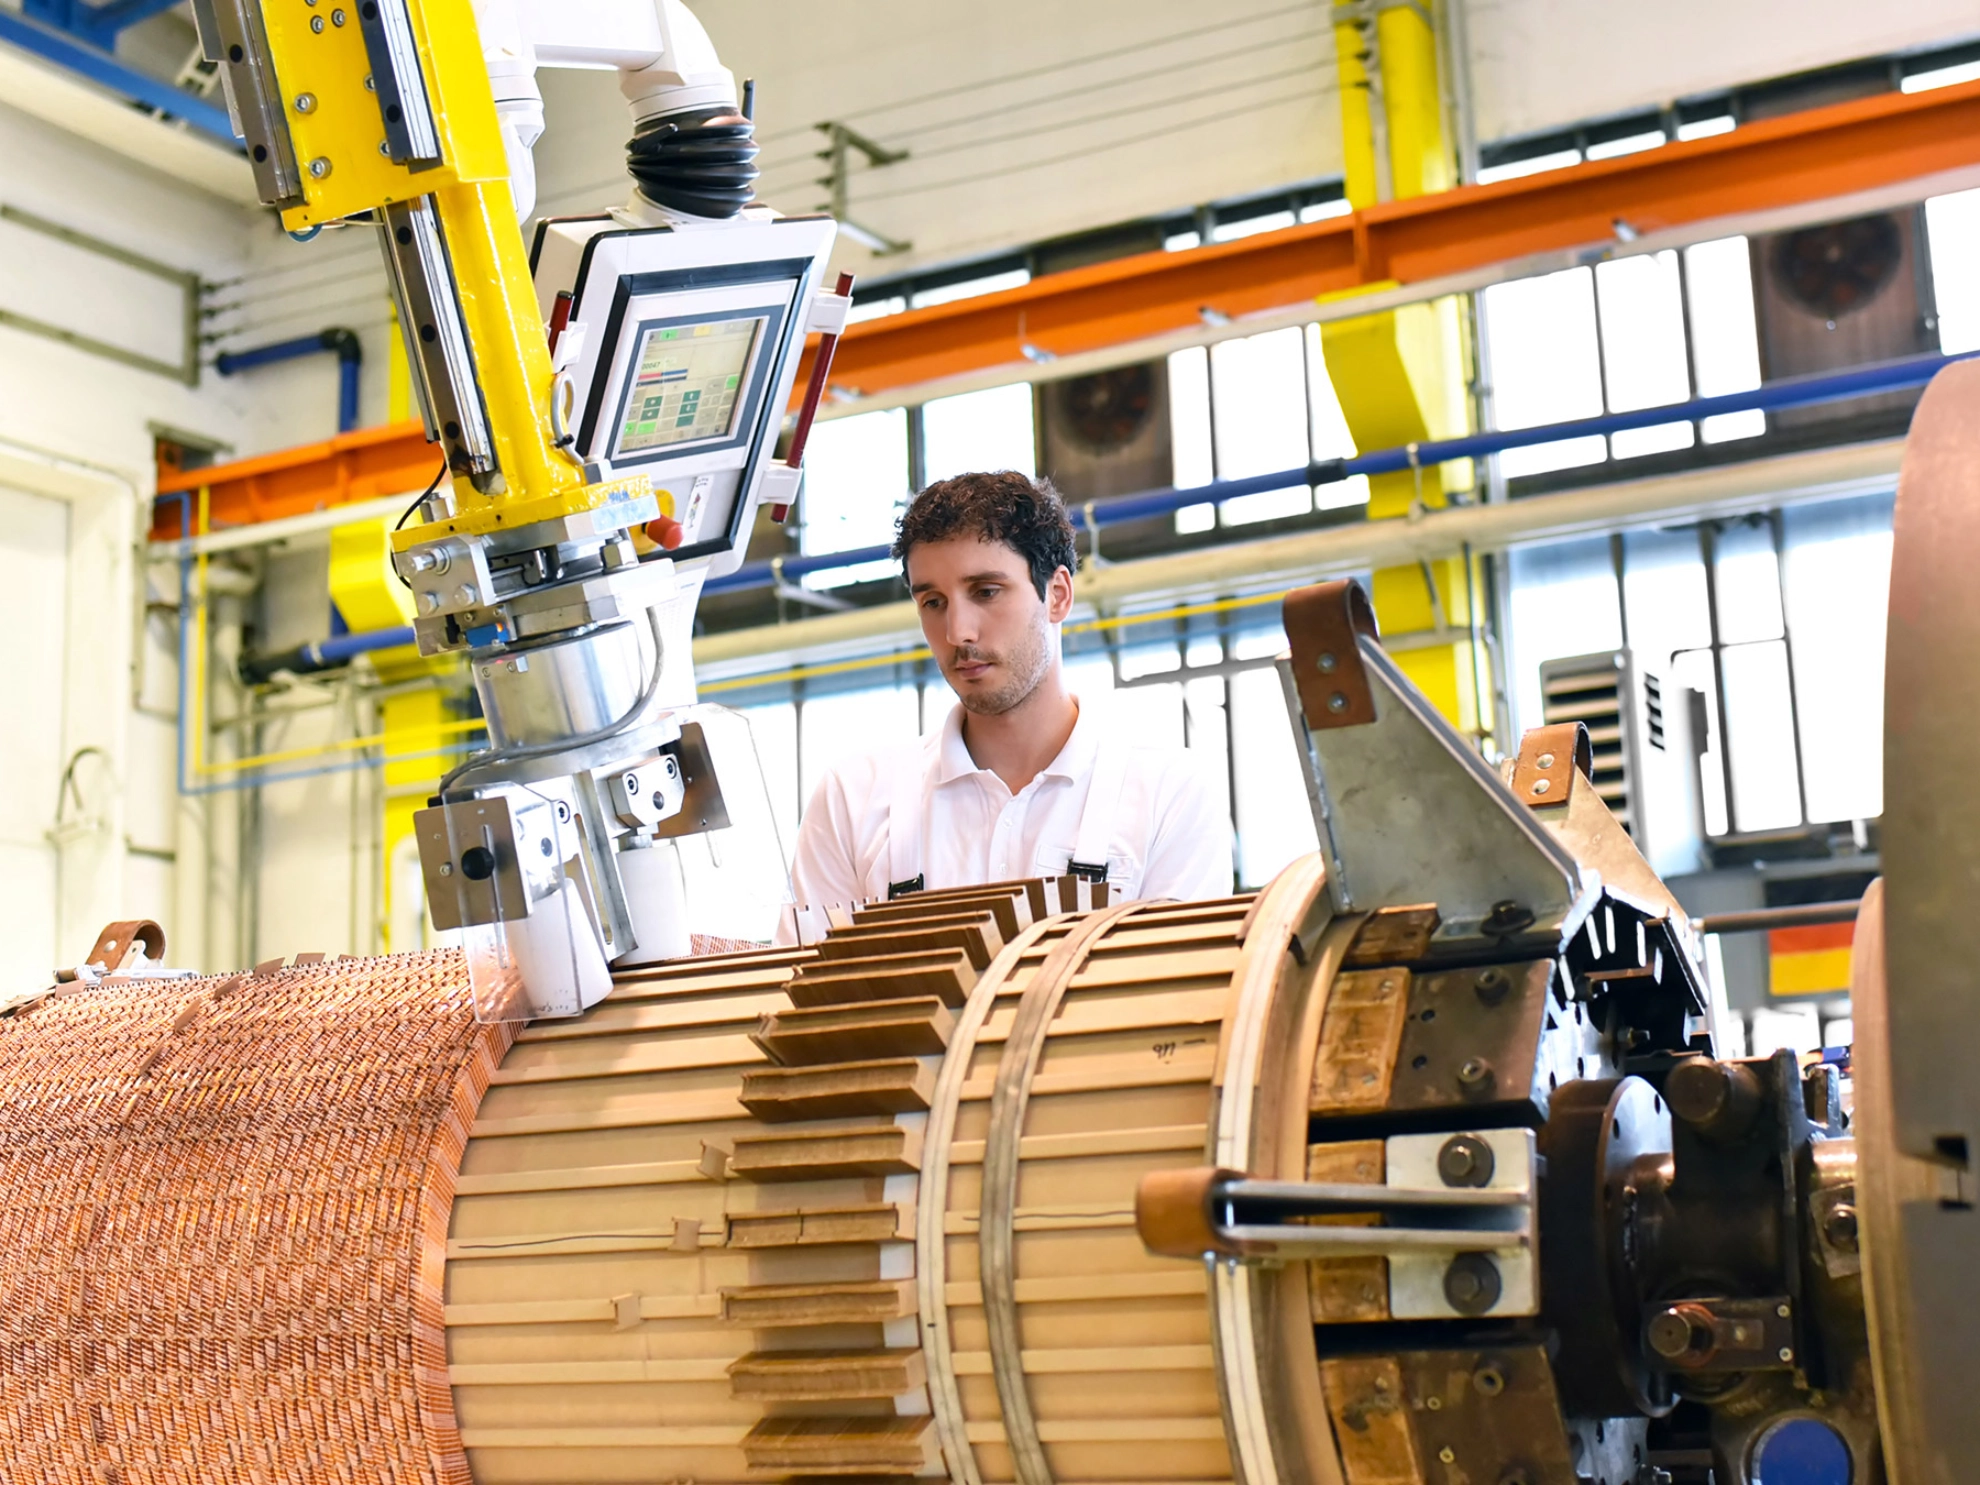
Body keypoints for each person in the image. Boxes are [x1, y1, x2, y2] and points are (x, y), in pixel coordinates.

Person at [788, 470, 1234, 911]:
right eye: (933, 603)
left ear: (1057, 594)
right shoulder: (853, 799)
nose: (958, 632)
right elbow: (805, 978)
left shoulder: (1169, 796)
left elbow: (1172, 980)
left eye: (986, 592)